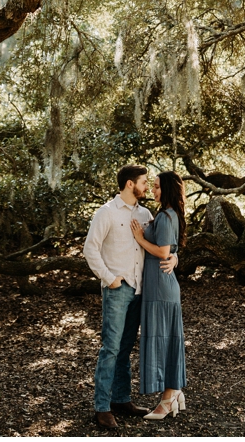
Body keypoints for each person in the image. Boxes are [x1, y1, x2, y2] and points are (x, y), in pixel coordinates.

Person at [82, 164, 177, 429]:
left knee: (125, 348)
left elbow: (162, 246)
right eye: (144, 182)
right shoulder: (106, 213)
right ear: (129, 184)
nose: (147, 186)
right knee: (110, 347)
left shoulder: (146, 213)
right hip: (118, 289)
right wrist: (109, 278)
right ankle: (102, 407)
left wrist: (175, 257)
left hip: (141, 290)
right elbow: (90, 249)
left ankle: (121, 399)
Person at [130, 170, 187, 420]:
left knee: (163, 341)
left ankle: (168, 399)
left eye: (157, 187)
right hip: (161, 286)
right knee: (166, 340)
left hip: (161, 289)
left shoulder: (165, 216)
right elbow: (171, 251)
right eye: (152, 186)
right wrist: (174, 256)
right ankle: (173, 392)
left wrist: (139, 238)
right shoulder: (169, 215)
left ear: (168, 189)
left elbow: (164, 252)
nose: (153, 191)